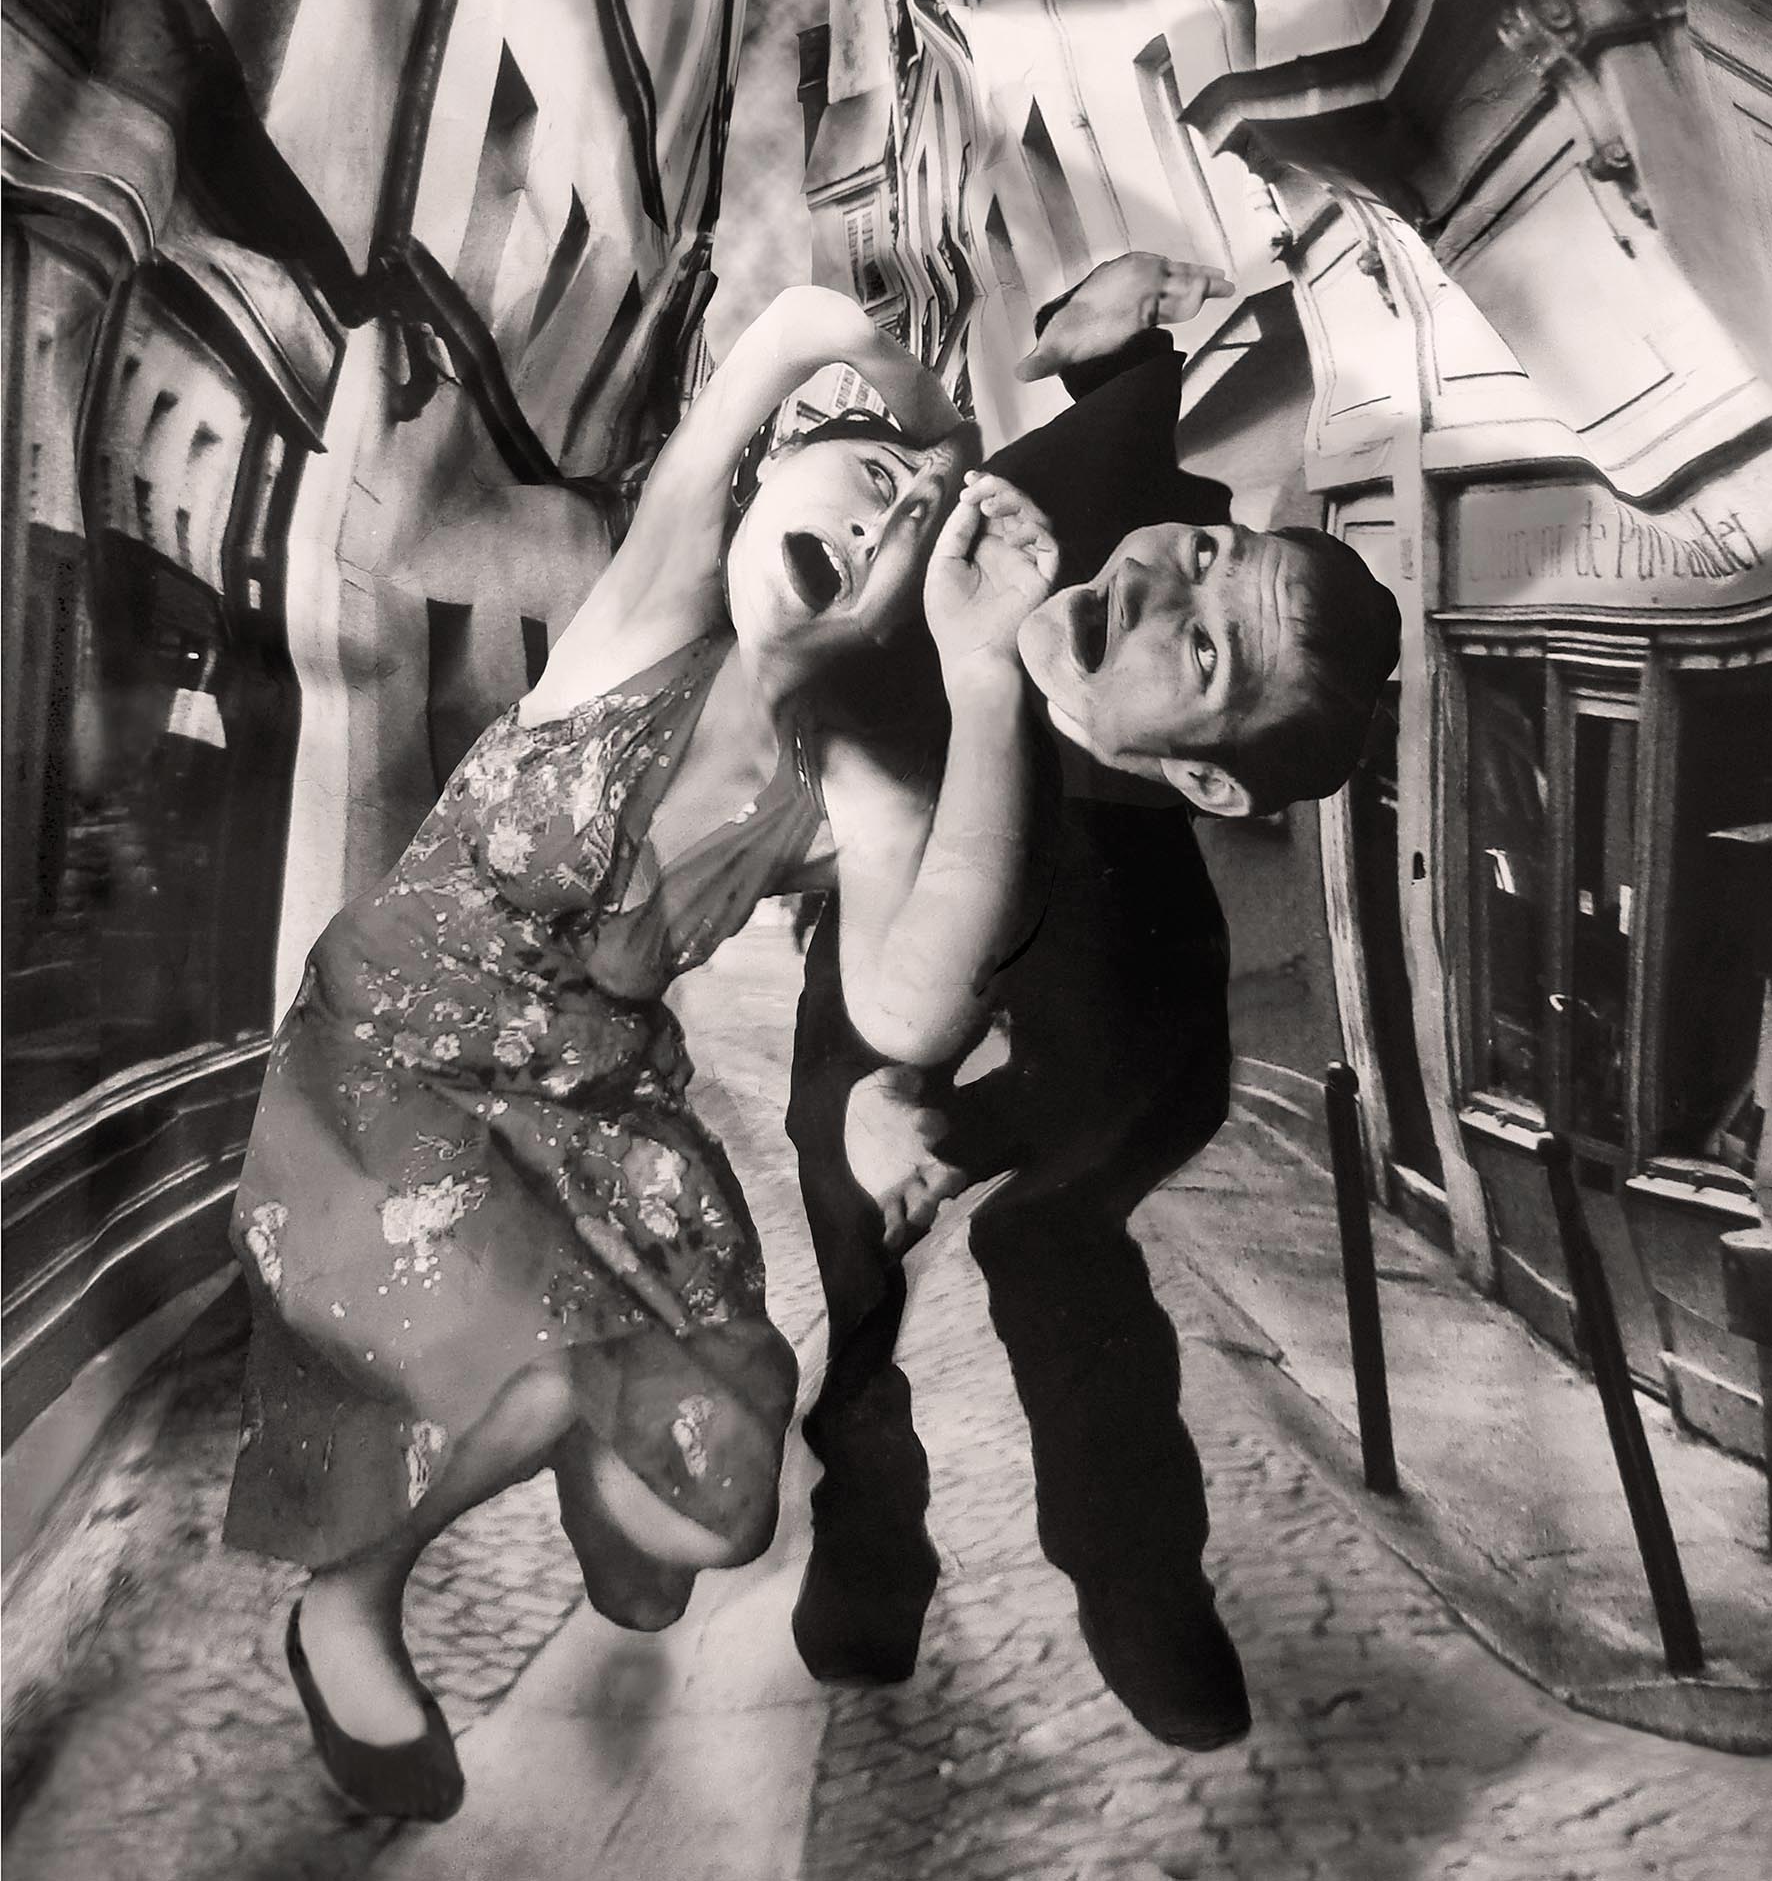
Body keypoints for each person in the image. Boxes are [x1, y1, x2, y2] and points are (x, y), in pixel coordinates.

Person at [222, 281, 1060, 1823]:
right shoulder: (656, 599)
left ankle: (589, 1465)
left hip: (599, 1104)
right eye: (867, 478)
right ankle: (347, 1605)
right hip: (402, 1039)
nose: (878, 523)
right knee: (538, 1364)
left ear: (904, 621)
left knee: (719, 1506)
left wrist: (990, 675)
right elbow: (791, 323)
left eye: (910, 541)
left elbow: (912, 1009)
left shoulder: (848, 782)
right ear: (772, 467)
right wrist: (939, 423)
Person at [784, 252, 1403, 1753]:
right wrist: (1096, 324)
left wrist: (936, 1120)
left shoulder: (1144, 950)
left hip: (1063, 1059)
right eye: (1203, 552)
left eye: (1202, 649)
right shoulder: (1101, 503)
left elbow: (1083, 1104)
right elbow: (1113, 390)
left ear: (1201, 777)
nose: (1151, 585)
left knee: (1055, 1262)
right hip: (875, 918)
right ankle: (869, 1545)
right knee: (853, 1276)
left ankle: (1138, 1585)